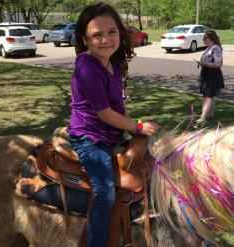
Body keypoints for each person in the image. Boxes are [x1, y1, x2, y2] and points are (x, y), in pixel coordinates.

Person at [66, 2, 159, 247]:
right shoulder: (86, 66)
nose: (105, 39)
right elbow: (105, 113)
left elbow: (118, 105)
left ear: (120, 32)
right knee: (105, 190)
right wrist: (137, 127)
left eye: (111, 32)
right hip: (89, 136)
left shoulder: (114, 64)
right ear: (85, 40)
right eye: (97, 35)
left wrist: (132, 124)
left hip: (110, 133)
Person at [195, 30, 224, 125]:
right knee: (208, 95)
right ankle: (210, 113)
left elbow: (219, 64)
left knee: (208, 96)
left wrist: (204, 64)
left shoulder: (216, 49)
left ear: (211, 38)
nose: (203, 39)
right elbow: (205, 64)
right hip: (206, 74)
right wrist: (201, 75)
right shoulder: (209, 48)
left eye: (205, 38)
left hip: (213, 75)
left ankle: (203, 117)